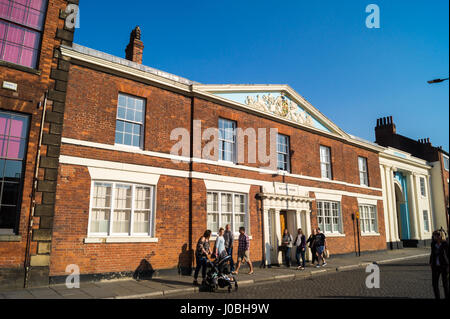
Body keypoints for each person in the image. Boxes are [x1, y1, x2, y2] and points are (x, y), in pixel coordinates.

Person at [429, 229, 449, 299]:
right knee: (434, 284)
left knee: (445, 284)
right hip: (435, 266)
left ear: (440, 236)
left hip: (444, 266)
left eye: (435, 235)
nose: (433, 237)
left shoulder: (445, 244)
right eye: (433, 235)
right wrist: (430, 262)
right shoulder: (433, 244)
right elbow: (432, 254)